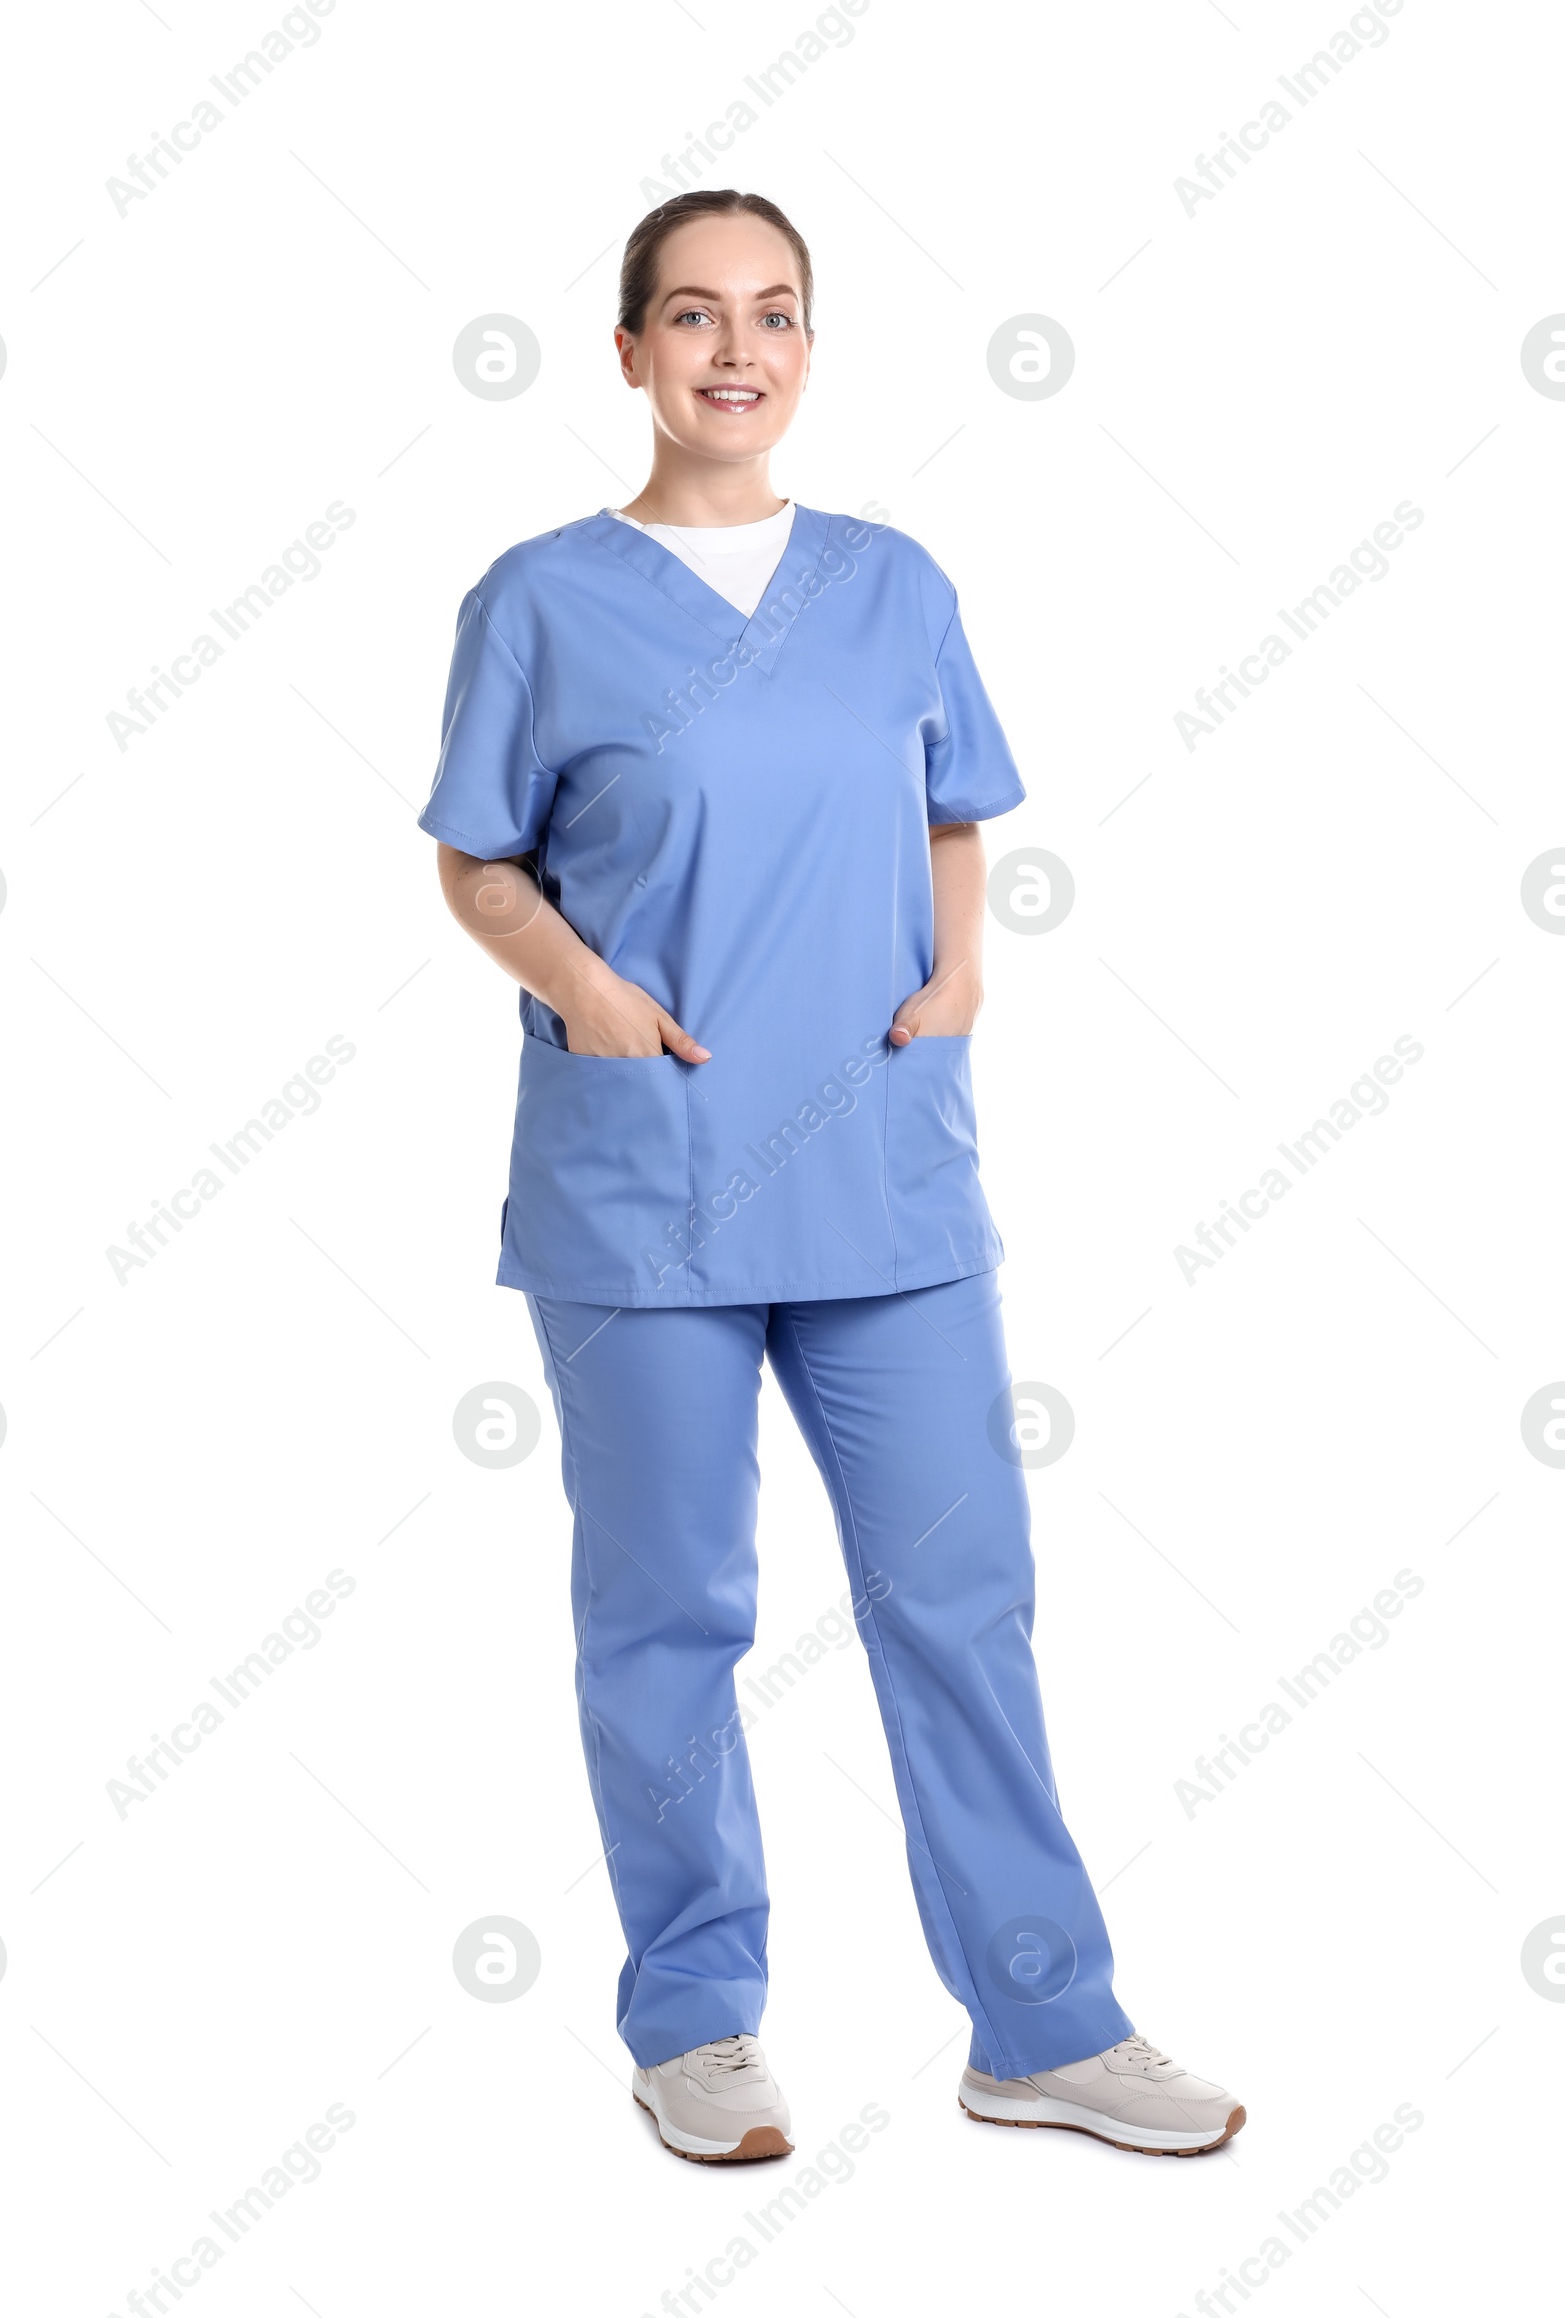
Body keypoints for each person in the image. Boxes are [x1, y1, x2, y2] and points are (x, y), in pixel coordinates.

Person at [420, 188, 1245, 2164]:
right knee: (670, 1609)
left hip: (881, 1171)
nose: (732, 348)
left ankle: (1041, 2022)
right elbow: (474, 856)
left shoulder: (890, 584)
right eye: (690, 315)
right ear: (624, 351)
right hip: (644, 1179)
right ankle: (695, 2019)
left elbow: (957, 810)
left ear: (807, 349)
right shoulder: (537, 599)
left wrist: (959, 970)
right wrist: (583, 992)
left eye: (771, 314)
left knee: (960, 1594)